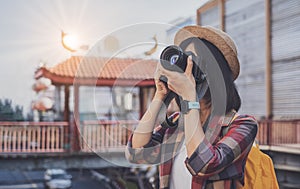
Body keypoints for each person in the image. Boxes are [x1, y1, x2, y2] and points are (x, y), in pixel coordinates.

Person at [125, 25, 258, 189]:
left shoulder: (242, 125)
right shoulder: (176, 123)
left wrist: (189, 97)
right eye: (184, 58)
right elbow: (136, 154)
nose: (184, 69)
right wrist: (160, 96)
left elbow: (204, 165)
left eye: (192, 60)